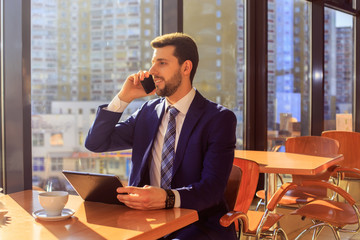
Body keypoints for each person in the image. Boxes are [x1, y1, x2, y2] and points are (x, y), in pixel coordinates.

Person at [85, 32, 237, 240]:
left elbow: (212, 189)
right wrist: (124, 97)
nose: (152, 71)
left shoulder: (219, 119)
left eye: (162, 63)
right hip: (146, 220)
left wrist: (167, 199)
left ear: (186, 68)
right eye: (152, 63)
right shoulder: (147, 113)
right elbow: (96, 143)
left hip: (197, 224)